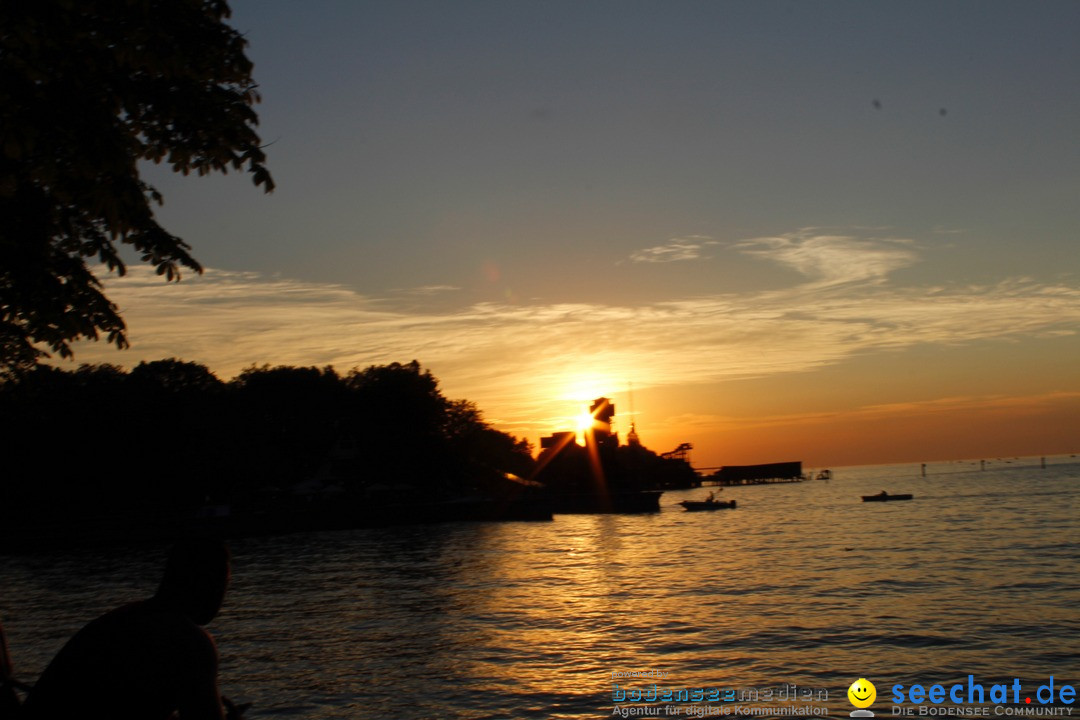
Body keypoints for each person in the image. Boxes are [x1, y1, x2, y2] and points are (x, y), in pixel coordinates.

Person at [21, 538, 241, 720]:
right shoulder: (189, 641)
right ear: (207, 584)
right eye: (224, 585)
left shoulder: (118, 622)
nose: (222, 596)